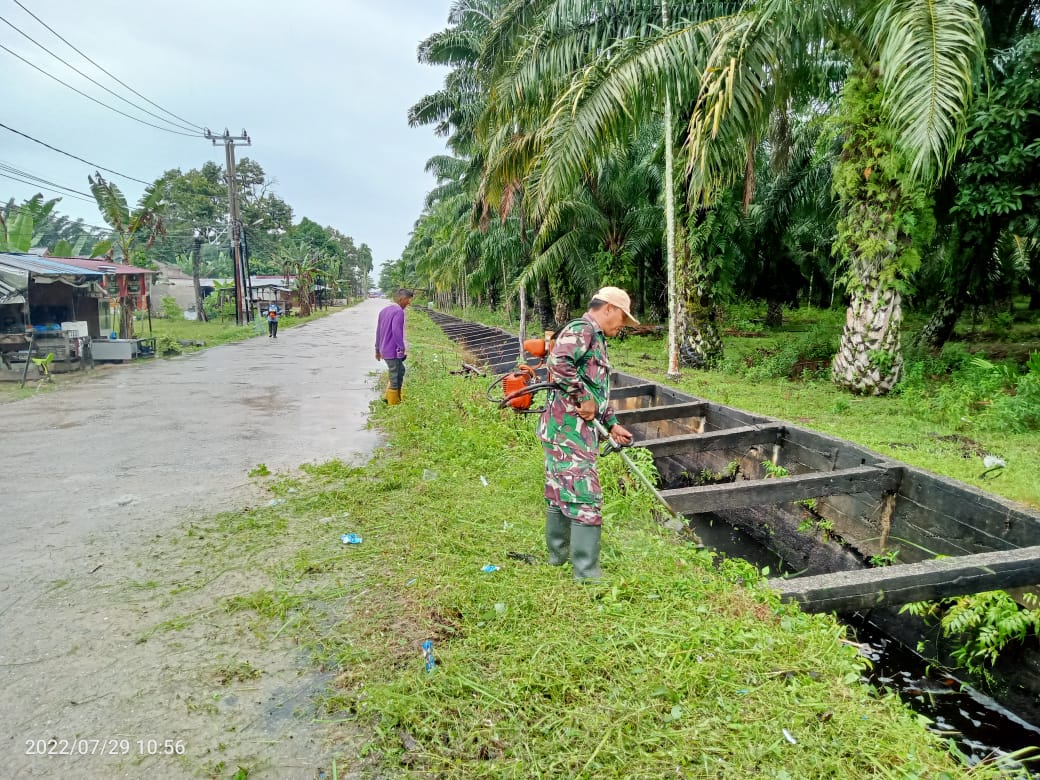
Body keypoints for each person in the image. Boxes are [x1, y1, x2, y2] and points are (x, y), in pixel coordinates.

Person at [538, 286, 637, 580]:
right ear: (608, 308)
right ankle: (586, 574)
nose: (622, 326)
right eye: (622, 318)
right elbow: (559, 362)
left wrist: (611, 423)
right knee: (585, 498)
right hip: (569, 433)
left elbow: (594, 390)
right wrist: (582, 397)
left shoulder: (596, 337)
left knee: (559, 493)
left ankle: (558, 558)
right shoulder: (583, 329)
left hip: (567, 430)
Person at [375, 288, 413, 405]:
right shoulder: (398, 311)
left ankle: (390, 397)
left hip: (384, 349)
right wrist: (402, 348)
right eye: (408, 300)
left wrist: (377, 349)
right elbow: (396, 331)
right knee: (395, 375)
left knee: (400, 370)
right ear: (401, 299)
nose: (409, 303)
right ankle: (393, 403)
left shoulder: (383, 311)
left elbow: (378, 332)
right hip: (392, 350)